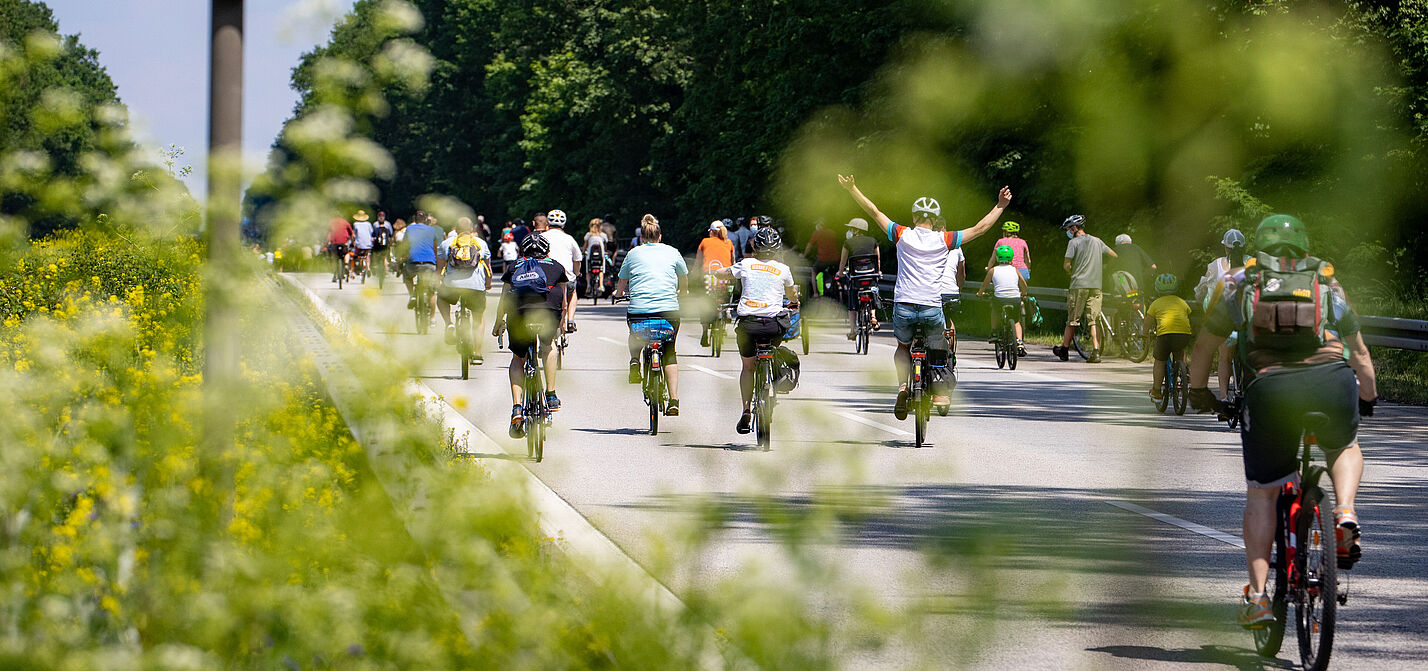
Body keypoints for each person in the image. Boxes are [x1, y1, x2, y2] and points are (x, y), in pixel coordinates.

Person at [1186, 214, 1377, 629]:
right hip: (1330, 381)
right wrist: (1367, 395)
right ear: (1305, 245)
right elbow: (1358, 351)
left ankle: (1258, 598)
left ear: (1259, 246)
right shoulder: (1326, 282)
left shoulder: (1241, 282)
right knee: (1343, 445)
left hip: (1271, 391)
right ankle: (1344, 512)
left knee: (1262, 494)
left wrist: (1200, 393)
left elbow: (1205, 345)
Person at [839, 174, 1013, 415]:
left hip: (905, 306)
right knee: (938, 345)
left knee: (902, 347)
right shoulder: (946, 239)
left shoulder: (901, 234)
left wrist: (852, 189)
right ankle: (940, 393)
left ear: (914, 217)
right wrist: (1000, 206)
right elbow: (980, 229)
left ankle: (902, 387)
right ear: (935, 219)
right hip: (932, 307)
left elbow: (874, 212)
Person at [711, 227, 800, 433]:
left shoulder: (746, 264)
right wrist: (794, 302)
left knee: (748, 367)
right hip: (773, 326)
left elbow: (725, 273)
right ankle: (773, 372)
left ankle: (746, 410)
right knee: (771, 346)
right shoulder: (783, 269)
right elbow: (792, 293)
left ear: (755, 246)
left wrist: (714, 272)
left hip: (748, 326)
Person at [493, 233, 568, 436]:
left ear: (522, 251)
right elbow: (563, 300)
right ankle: (551, 394)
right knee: (549, 346)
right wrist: (562, 322)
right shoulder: (557, 266)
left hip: (519, 314)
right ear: (547, 250)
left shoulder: (515, 267)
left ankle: (517, 407)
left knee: (518, 358)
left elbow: (504, 299)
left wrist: (498, 323)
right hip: (548, 312)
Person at [613, 215, 688, 415]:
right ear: (660, 236)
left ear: (642, 238)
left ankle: (635, 361)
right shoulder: (672, 252)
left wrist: (619, 294)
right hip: (668, 311)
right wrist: (684, 292)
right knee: (670, 352)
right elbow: (683, 277)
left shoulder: (633, 253)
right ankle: (674, 400)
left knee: (634, 333)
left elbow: (622, 280)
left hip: (639, 312)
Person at [1053, 214, 1118, 363]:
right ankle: (1096, 352)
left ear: (1074, 228)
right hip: (1096, 285)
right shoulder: (1097, 241)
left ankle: (1064, 350)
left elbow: (1066, 265)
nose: (1068, 232)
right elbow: (1114, 255)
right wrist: (1105, 268)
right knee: (1093, 320)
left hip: (1079, 285)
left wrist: (1071, 272)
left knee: (1072, 320)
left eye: (1069, 229)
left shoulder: (1074, 243)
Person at [1195, 229, 1248, 399]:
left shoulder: (1214, 266)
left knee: (1225, 358)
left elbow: (1202, 291)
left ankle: (1225, 398)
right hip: (1248, 319)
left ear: (1226, 247)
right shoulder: (1253, 263)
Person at [437, 217, 493, 362]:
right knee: (478, 318)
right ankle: (478, 354)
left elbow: (439, 268)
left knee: (441, 298)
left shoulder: (447, 243)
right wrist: (487, 283)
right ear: (472, 229)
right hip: (475, 286)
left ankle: (449, 323)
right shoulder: (481, 243)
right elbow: (488, 269)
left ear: (456, 228)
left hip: (452, 285)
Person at [1144, 273, 1192, 401]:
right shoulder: (1182, 302)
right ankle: (1184, 371)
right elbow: (1188, 314)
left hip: (1165, 335)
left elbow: (1148, 321)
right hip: (1183, 334)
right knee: (1181, 351)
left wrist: (1144, 334)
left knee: (1160, 362)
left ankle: (1157, 391)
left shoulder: (1155, 303)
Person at [976, 245, 1028, 356]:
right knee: (1017, 321)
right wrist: (1024, 293)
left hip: (999, 299)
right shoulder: (1015, 270)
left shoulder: (993, 270)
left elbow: (984, 285)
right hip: (1015, 298)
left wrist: (980, 293)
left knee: (995, 311)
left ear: (998, 257)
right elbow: (1023, 283)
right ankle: (1019, 341)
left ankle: (994, 331)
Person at [537, 209, 583, 333]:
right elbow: (577, 259)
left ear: (548, 223)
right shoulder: (569, 239)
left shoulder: (541, 237)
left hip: (545, 278)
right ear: (564, 224)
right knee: (572, 292)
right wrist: (576, 274)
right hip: (566, 277)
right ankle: (570, 320)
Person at [838, 217, 882, 339]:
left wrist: (840, 273)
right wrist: (878, 271)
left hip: (856, 277)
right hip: (870, 275)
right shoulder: (873, 241)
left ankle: (853, 330)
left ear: (856, 230)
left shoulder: (848, 243)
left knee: (852, 300)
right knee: (873, 289)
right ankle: (873, 317)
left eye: (851, 228)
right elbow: (877, 259)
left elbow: (843, 262)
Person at [697, 220, 737, 347]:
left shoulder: (704, 242)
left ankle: (704, 332)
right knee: (726, 297)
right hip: (725, 278)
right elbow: (733, 262)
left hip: (708, 278)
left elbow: (698, 262)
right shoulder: (729, 243)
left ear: (712, 232)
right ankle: (726, 311)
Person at [398, 214, 443, 318]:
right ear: (426, 220)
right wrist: (436, 260)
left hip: (414, 262)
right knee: (431, 292)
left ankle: (412, 295)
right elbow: (435, 247)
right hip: (429, 263)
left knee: (407, 276)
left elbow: (405, 245)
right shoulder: (431, 230)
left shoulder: (409, 229)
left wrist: (402, 256)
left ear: (415, 220)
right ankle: (432, 318)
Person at [802, 219, 842, 299]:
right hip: (835, 259)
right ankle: (841, 289)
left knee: (814, 271)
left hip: (822, 260)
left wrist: (804, 255)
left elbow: (809, 246)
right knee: (837, 273)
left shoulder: (817, 233)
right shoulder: (833, 232)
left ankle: (816, 293)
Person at [1108, 233, 1157, 297]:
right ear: (1130, 242)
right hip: (1137, 289)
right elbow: (1153, 267)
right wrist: (1142, 276)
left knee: (1120, 277)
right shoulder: (1136, 248)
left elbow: (1109, 270)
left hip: (1122, 291)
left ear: (1117, 243)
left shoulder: (1114, 251)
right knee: (1139, 304)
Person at [327, 216, 354, 281]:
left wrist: (328, 241)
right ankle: (346, 264)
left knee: (334, 258)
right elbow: (351, 234)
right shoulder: (345, 222)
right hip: (344, 242)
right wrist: (352, 242)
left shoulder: (331, 222)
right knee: (346, 253)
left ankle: (334, 275)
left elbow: (328, 232)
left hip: (334, 243)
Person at [350, 210, 374, 278]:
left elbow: (354, 235)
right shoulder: (369, 224)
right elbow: (371, 233)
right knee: (367, 255)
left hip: (359, 244)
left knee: (355, 255)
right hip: (368, 243)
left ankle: (353, 270)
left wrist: (353, 242)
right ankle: (368, 268)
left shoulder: (356, 224)